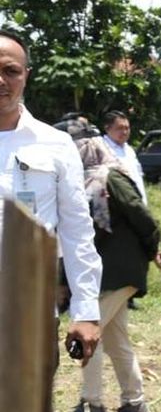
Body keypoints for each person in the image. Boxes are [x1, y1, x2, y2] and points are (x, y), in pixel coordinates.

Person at [53, 137, 161, 412]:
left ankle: (91, 406)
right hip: (106, 273)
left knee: (87, 335)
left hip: (119, 273)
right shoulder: (86, 182)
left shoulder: (111, 177)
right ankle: (134, 404)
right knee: (116, 340)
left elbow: (143, 216)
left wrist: (151, 252)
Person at [0, 29, 101, 363]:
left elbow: (77, 232)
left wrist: (86, 310)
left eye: (10, 71)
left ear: (26, 75)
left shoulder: (54, 145)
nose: (2, 80)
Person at [101, 110, 147, 203]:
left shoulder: (129, 149)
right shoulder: (101, 148)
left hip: (136, 201)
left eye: (127, 128)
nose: (125, 132)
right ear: (107, 128)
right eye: (120, 128)